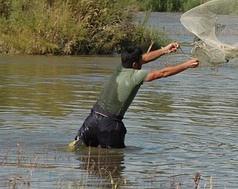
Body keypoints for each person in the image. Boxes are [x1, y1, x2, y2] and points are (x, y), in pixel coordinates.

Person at [70, 42, 199, 149]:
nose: (143, 60)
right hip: (110, 124)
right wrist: (186, 65)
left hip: (92, 119)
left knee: (79, 150)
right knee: (113, 162)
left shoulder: (120, 67)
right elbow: (163, 73)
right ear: (134, 65)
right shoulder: (136, 76)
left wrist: (165, 50)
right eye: (140, 61)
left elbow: (143, 58)